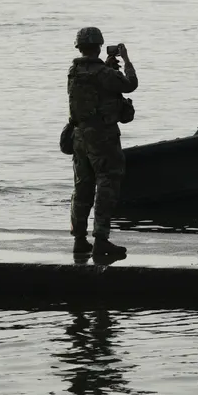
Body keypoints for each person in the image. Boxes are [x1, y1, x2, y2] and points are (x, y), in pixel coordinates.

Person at [67, 27, 137, 260]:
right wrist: (126, 59)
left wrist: (106, 65)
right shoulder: (105, 74)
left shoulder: (74, 70)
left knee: (82, 187)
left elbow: (93, 88)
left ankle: (79, 240)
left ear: (79, 47)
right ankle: (101, 240)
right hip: (102, 137)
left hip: (79, 136)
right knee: (107, 184)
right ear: (99, 46)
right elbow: (130, 84)